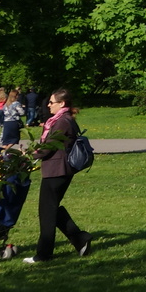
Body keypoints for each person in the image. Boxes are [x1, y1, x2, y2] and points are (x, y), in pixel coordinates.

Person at [24, 88, 93, 263]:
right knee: (51, 209)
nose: (48, 105)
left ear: (62, 104)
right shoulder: (61, 119)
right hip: (57, 170)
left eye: (51, 102)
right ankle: (80, 239)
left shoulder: (62, 121)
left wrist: (29, 156)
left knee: (46, 212)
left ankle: (44, 254)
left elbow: (49, 146)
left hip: (57, 171)